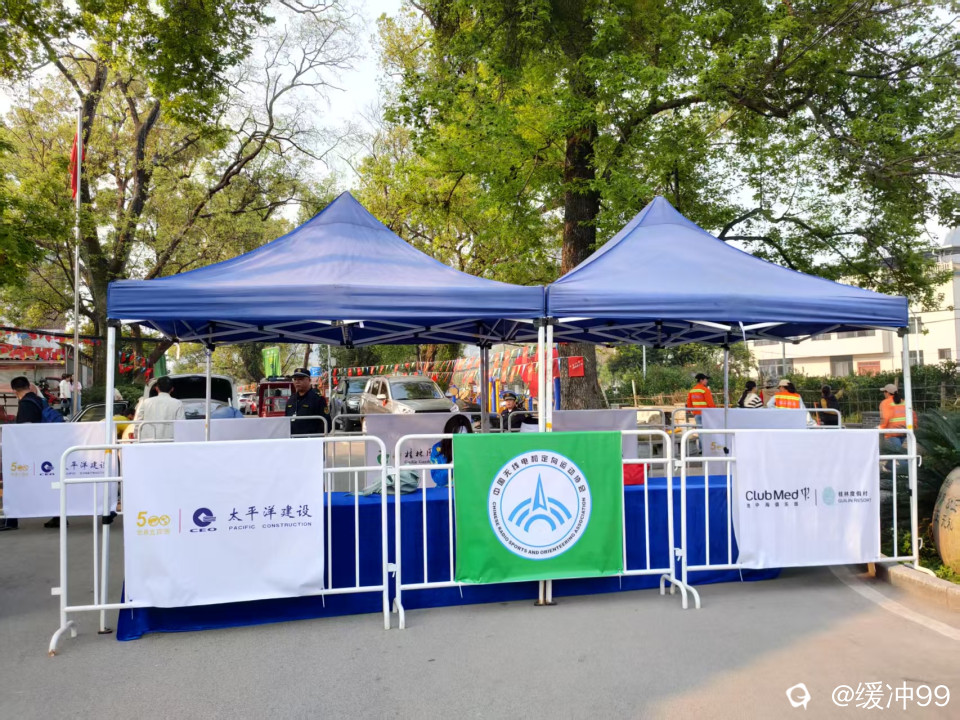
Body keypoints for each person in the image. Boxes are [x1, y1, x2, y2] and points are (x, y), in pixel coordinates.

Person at [134, 375, 184, 441]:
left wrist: (136, 437)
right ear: (172, 389)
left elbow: (138, 422)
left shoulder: (146, 402)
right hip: (169, 441)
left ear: (157, 388)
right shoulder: (178, 403)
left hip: (147, 441)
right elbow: (181, 425)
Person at [430, 414, 473, 487]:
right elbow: (438, 479)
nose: (460, 440)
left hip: (468, 490)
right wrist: (451, 466)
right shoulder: (438, 449)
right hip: (444, 491)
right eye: (456, 436)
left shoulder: (474, 447)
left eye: (464, 436)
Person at [285, 368, 329, 436]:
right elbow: (286, 421)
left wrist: (316, 437)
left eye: (300, 379)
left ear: (309, 380)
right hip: (293, 439)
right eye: (295, 379)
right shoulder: (291, 399)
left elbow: (327, 423)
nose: (297, 382)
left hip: (310, 440)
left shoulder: (318, 399)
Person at [879, 384, 916, 449]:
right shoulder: (904, 402)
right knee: (896, 450)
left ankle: (902, 456)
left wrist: (881, 428)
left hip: (893, 431)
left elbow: (885, 417)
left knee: (898, 451)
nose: (883, 394)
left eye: (884, 392)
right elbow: (913, 415)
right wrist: (914, 426)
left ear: (887, 393)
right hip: (905, 430)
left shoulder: (885, 403)